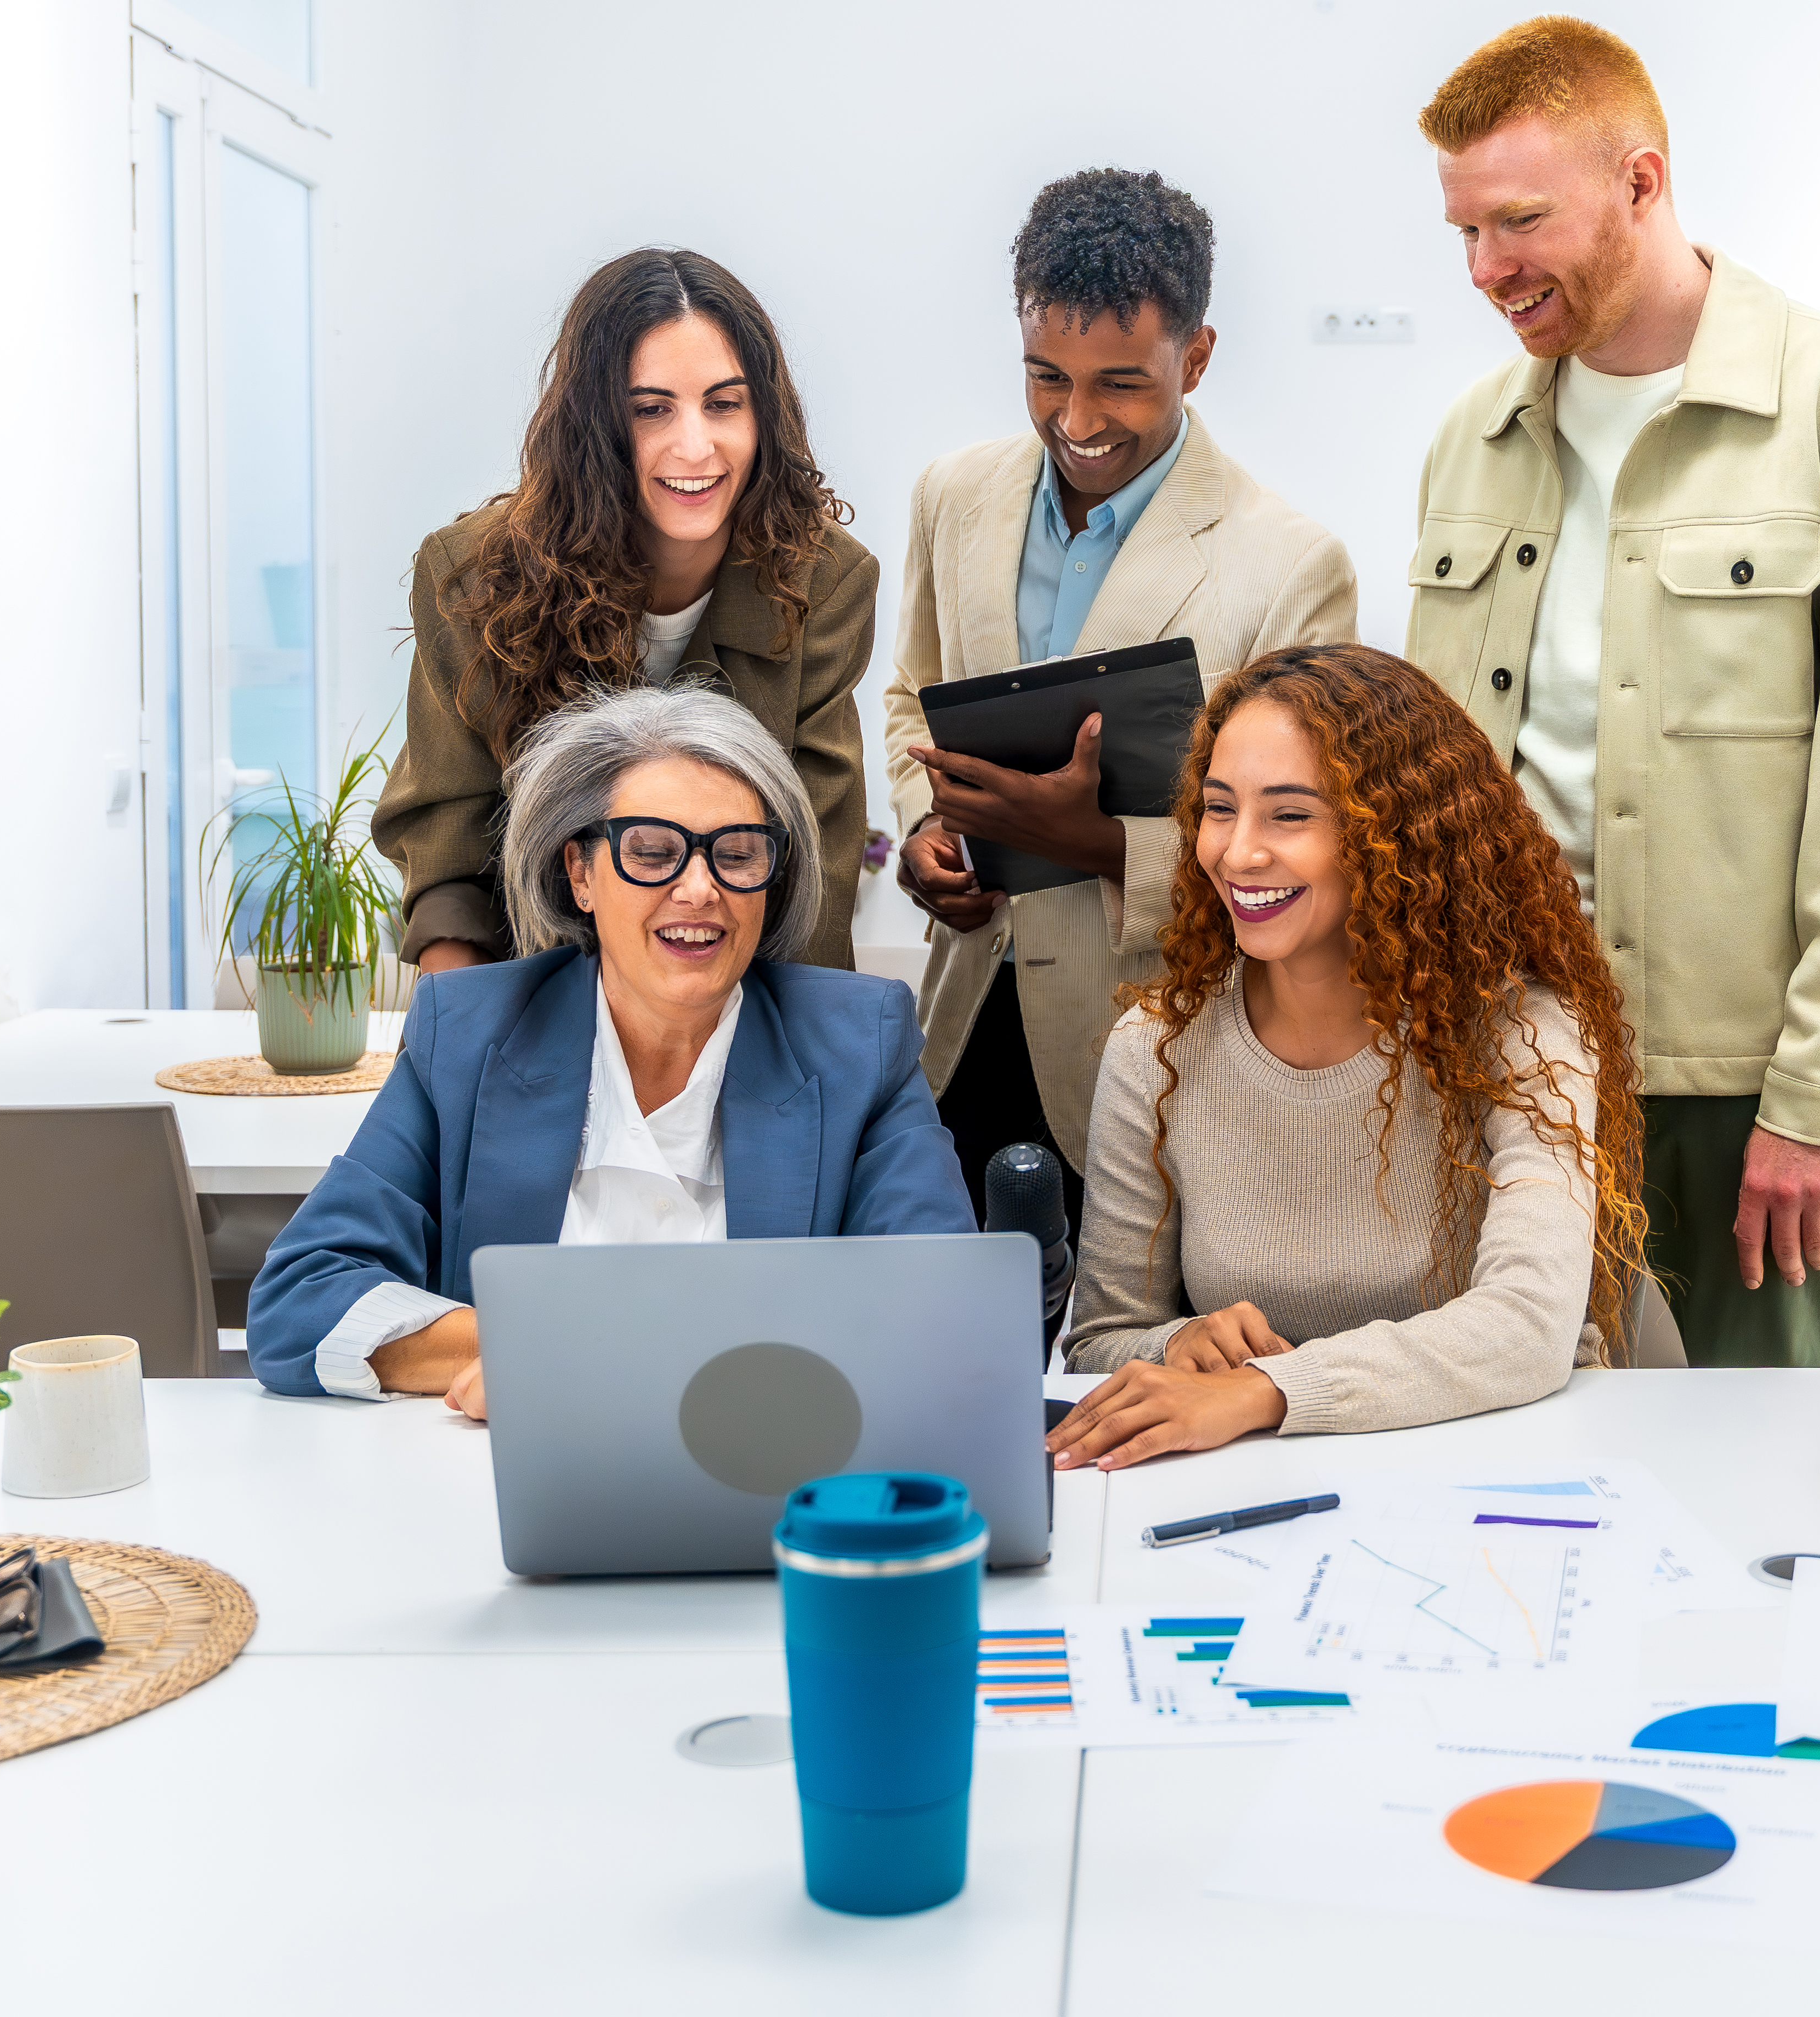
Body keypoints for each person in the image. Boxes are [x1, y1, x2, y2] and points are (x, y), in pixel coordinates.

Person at [1405, 16, 1820, 1371]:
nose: (1489, 269)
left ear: (1642, 183)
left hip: (1736, 1088)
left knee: (1768, 1487)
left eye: (1521, 221)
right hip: (1502, 1060)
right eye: (1467, 232)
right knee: (1520, 1479)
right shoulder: (1471, 438)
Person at [251, 686, 971, 1408]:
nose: (699, 889)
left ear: (770, 882)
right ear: (580, 873)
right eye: (652, 852)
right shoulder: (471, 1033)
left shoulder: (858, 1045)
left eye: (738, 855)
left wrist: (585, 1349)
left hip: (763, 1491)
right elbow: (299, 1303)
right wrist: (536, 1347)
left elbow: (940, 1314)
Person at [1046, 644, 1658, 1471]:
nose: (1237, 853)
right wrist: (1181, 1343)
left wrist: (1269, 1388)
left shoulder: (1524, 1036)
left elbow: (1526, 1327)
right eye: (1220, 809)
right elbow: (1100, 1344)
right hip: (1261, 1492)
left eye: (1289, 815)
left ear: (1395, 836)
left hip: (1508, 1472)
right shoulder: (1155, 1051)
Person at [883, 168, 1356, 1208]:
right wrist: (930, 833)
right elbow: (914, 693)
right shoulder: (953, 497)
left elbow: (1310, 845)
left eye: (1121, 383)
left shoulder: (1290, 566)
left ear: (1196, 357)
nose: (1077, 417)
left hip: (1153, 1053)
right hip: (960, 1030)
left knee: (1126, 1363)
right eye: (1046, 375)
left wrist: (1093, 844)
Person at [377, 249, 876, 976]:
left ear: (763, 416)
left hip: (739, 991)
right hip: (536, 985)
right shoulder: (472, 578)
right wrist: (463, 1050)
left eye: (724, 404)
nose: (695, 445)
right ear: (593, 425)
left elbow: (813, 874)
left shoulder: (825, 578)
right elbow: (448, 848)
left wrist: (788, 1070)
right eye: (651, 410)